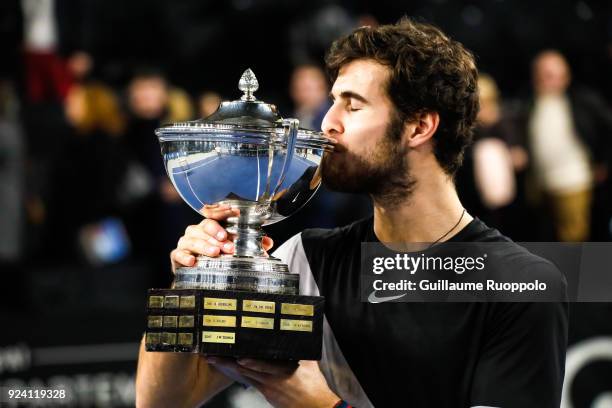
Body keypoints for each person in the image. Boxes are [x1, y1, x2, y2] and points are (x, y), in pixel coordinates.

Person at [136, 19, 568, 407]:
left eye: (353, 104)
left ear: (419, 127)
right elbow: (161, 400)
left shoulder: (525, 285)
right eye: (332, 101)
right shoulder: (306, 260)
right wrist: (192, 285)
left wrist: (324, 406)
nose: (327, 123)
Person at [518, 50, 612, 242]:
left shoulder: (582, 100)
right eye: (539, 74)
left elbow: (606, 129)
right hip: (540, 184)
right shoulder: (531, 102)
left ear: (565, 76)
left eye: (550, 74)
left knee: (573, 238)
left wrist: (603, 162)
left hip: (573, 181)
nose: (543, 80)